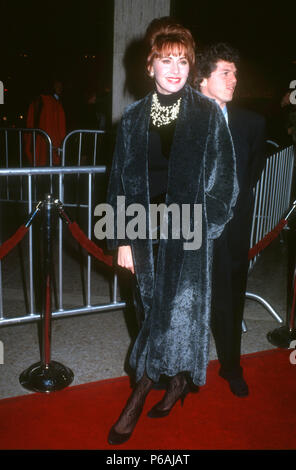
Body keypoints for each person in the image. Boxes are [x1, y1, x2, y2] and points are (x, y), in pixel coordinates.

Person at [106, 18, 238, 445]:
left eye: (183, 60)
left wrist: (206, 226)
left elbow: (225, 182)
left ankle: (137, 396)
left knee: (171, 316)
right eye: (166, 60)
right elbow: (118, 182)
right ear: (150, 66)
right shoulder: (131, 119)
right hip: (143, 233)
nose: (176, 68)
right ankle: (179, 382)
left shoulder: (206, 114)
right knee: (150, 312)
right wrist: (121, 237)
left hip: (189, 234)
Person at [196, 43, 266, 397]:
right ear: (202, 78)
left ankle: (230, 366)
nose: (234, 79)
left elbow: (252, 170)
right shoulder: (179, 118)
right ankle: (179, 369)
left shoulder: (252, 123)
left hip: (233, 226)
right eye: (226, 72)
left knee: (229, 294)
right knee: (185, 299)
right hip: (188, 225)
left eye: (236, 72)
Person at [25, 79, 66, 165]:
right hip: (43, 139)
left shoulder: (54, 102)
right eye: (57, 85)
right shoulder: (43, 100)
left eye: (61, 86)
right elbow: (33, 120)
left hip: (49, 140)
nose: (60, 88)